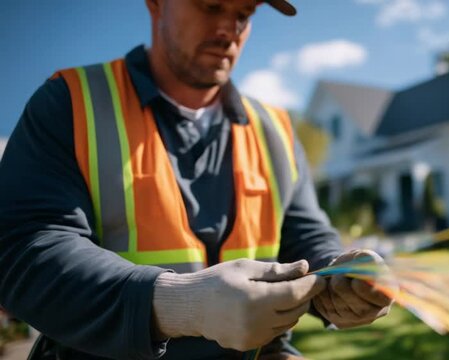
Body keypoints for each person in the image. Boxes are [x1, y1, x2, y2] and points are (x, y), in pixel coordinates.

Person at [0, 1, 393, 359]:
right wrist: (180, 305)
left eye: (243, 14)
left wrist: (339, 276)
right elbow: (22, 251)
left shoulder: (276, 130)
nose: (228, 29)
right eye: (211, 5)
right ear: (156, 5)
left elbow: (304, 236)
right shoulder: (71, 104)